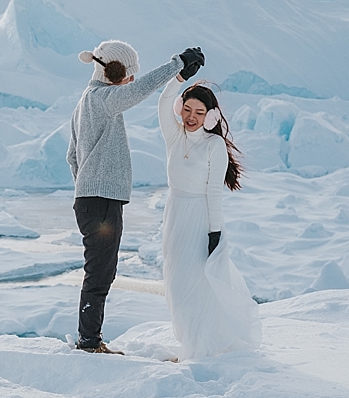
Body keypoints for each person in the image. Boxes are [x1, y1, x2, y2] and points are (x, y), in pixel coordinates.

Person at [67, 40, 205, 354]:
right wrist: (176, 65)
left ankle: (90, 340)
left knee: (100, 271)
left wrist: (86, 189)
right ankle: (89, 343)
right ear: (114, 71)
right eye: (128, 74)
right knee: (100, 274)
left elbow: (71, 157)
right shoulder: (102, 99)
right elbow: (137, 91)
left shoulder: (86, 101)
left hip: (93, 199)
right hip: (100, 200)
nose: (131, 79)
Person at [156, 66, 262, 360]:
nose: (191, 116)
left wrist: (214, 232)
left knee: (198, 284)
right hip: (175, 215)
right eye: (187, 109)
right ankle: (189, 340)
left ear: (211, 116)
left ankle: (201, 347)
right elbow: (163, 102)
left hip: (201, 219)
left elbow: (214, 191)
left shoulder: (214, 145)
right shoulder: (174, 136)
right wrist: (179, 77)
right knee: (176, 283)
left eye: (199, 112)